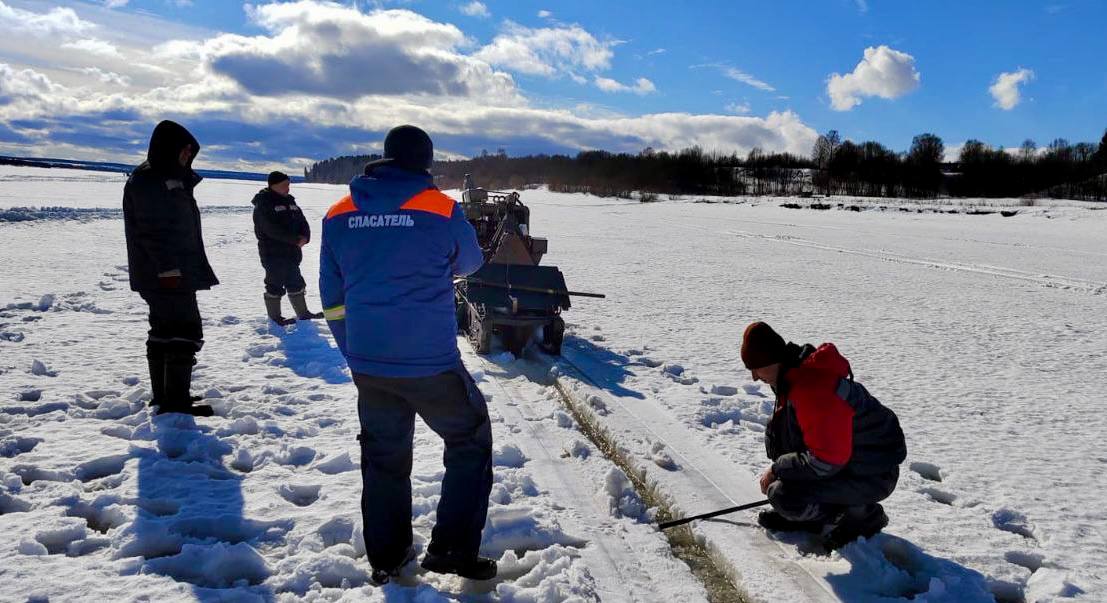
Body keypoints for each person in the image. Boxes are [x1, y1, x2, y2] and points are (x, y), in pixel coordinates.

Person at [318, 125, 492, 585]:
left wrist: (353, 351)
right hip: (431, 364)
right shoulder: (441, 207)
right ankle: (453, 549)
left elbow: (331, 297)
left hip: (370, 364)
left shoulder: (338, 213)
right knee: (469, 438)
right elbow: (471, 262)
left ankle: (388, 556)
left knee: (383, 458)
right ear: (426, 163)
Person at [740, 321, 907, 548]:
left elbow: (827, 460)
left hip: (873, 474)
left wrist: (778, 468)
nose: (754, 377)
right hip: (852, 463)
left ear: (772, 360)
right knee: (783, 458)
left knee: (783, 495)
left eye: (756, 368)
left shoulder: (811, 389)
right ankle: (810, 514)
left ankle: (861, 516)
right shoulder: (792, 378)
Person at [122, 120, 217, 417]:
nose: (188, 156)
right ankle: (174, 401)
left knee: (165, 330)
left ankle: (167, 396)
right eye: (184, 150)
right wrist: (168, 269)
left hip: (171, 271)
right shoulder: (151, 180)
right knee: (182, 331)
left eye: (191, 152)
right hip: (166, 274)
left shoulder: (166, 177)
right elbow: (152, 230)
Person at [252, 171, 322, 324]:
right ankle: (275, 318)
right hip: (272, 252)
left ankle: (303, 314)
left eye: (289, 184)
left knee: (296, 281)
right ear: (273, 185)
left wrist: (305, 237)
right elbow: (269, 229)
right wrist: (295, 240)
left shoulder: (290, 201)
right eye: (285, 185)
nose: (288, 188)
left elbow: (303, 222)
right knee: (274, 283)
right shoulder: (264, 202)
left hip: (292, 252)